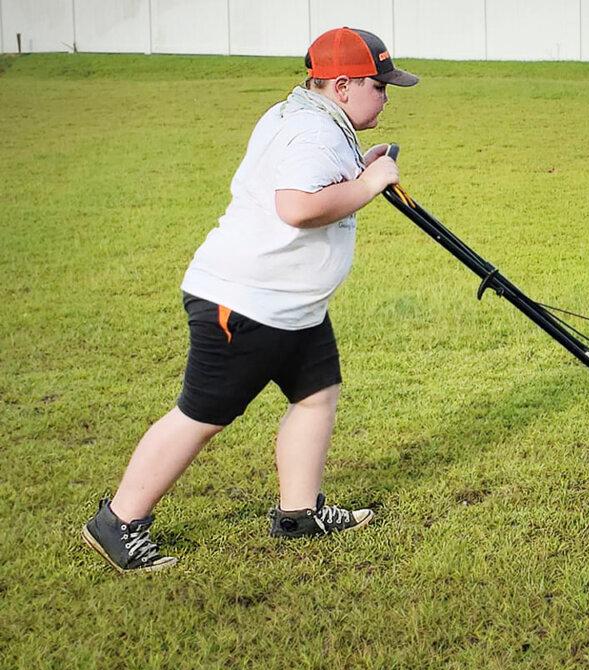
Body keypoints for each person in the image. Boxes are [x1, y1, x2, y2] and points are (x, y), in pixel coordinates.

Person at [83, 27, 419, 573]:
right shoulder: (311, 131)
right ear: (341, 85)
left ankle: (298, 513)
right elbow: (296, 206)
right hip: (245, 302)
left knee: (316, 394)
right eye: (380, 86)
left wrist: (360, 172)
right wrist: (369, 183)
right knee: (202, 415)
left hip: (291, 304)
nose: (386, 96)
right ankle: (118, 521)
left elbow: (308, 185)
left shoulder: (308, 117)